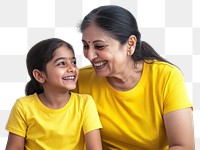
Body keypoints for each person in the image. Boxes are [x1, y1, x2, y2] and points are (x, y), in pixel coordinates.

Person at [74, 5, 195, 150]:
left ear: (130, 44)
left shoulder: (166, 77)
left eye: (99, 46)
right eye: (86, 46)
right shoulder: (80, 80)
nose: (90, 55)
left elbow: (183, 146)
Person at [5, 38, 102, 150]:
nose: (72, 68)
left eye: (73, 62)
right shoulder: (23, 106)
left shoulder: (85, 103)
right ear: (40, 76)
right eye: (62, 63)